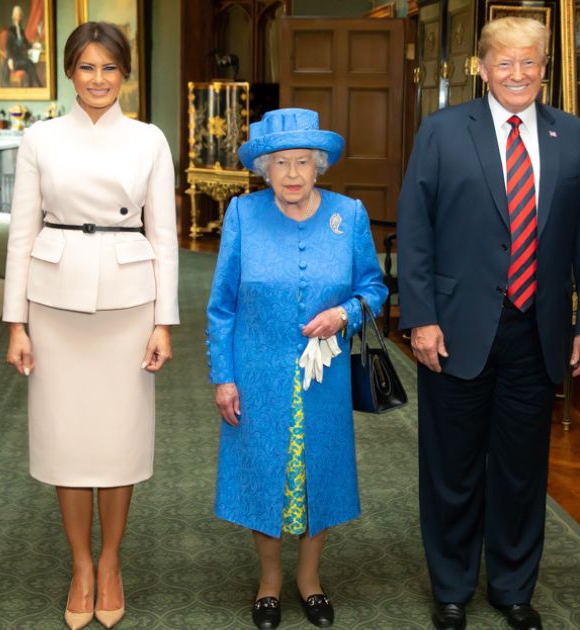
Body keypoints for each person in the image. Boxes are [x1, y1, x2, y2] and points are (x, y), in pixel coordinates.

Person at [396, 17, 580, 630]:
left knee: (521, 469)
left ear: (545, 69)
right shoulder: (441, 131)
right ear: (483, 69)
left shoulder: (575, 137)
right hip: (455, 327)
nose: (518, 74)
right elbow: (415, 231)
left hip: (539, 329)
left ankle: (514, 588)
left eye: (530, 62)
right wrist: (421, 318)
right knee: (452, 467)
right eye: (505, 62)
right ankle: (452, 587)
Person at [2, 21, 178, 630]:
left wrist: (164, 322)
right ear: (69, 73)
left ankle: (110, 562)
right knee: (68, 441)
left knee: (118, 441)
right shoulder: (40, 139)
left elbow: (165, 236)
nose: (98, 79)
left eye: (109, 67)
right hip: (55, 305)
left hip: (129, 304)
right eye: (86, 67)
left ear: (124, 73)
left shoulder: (149, 139)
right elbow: (21, 234)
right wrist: (16, 323)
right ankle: (80, 566)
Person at [206, 108, 388, 630]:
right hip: (257, 372)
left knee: (319, 474)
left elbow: (374, 288)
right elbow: (222, 306)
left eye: (303, 162)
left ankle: (310, 579)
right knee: (263, 473)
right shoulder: (242, 214)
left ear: (318, 166)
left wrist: (344, 314)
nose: (291, 173)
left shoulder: (348, 215)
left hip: (323, 378)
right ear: (265, 168)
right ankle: (269, 581)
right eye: (281, 162)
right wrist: (223, 376)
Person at [4, 4, 43, 87]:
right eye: (17, 15)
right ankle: (39, 85)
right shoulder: (10, 30)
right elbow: (8, 47)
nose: (19, 17)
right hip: (13, 60)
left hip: (20, 58)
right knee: (29, 63)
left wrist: (33, 45)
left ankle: (31, 86)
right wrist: (9, 59)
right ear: (13, 17)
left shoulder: (21, 30)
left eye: (20, 15)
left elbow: (26, 44)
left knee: (30, 64)